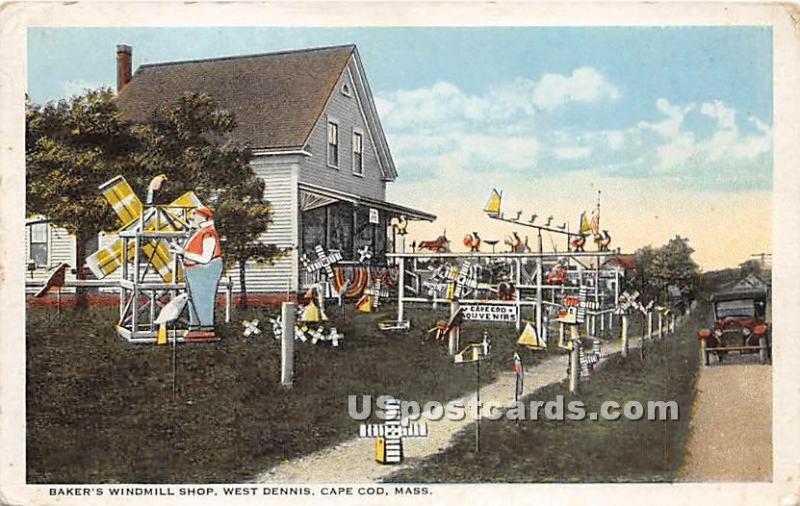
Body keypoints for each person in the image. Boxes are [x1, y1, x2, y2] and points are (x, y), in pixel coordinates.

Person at [169, 206, 223, 340]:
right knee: (193, 298)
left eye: (195, 215)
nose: (191, 218)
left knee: (203, 298)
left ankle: (206, 328)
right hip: (194, 271)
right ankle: (195, 326)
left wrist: (183, 252)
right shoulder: (200, 232)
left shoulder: (209, 234)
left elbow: (205, 258)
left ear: (204, 217)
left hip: (205, 270)